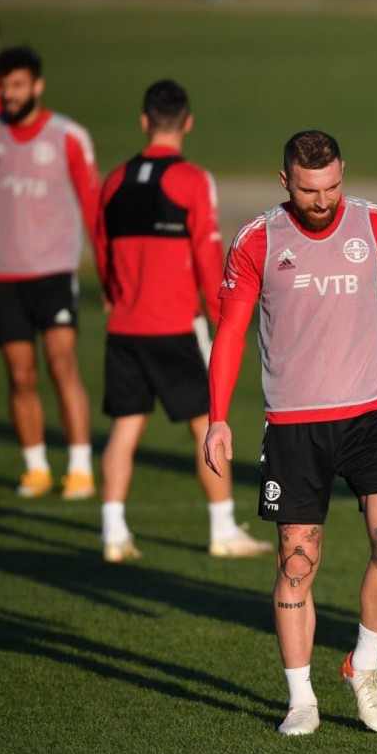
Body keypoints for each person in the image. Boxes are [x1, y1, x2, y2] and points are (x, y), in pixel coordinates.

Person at [204, 130, 377, 737]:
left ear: (342, 173)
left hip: (371, 416)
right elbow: (230, 332)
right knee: (297, 564)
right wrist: (217, 417)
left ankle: (364, 663)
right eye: (309, 190)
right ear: (286, 181)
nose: (323, 200)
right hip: (294, 427)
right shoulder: (258, 240)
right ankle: (301, 697)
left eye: (332, 186)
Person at [95, 79, 272, 563]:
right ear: (187, 122)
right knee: (207, 427)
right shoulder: (193, 180)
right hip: (175, 326)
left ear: (144, 121)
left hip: (124, 326)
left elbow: (102, 248)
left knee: (125, 429)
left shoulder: (113, 180)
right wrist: (222, 315)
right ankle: (223, 530)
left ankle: (113, 533)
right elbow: (207, 254)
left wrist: (114, 294)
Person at [0, 45, 99, 500]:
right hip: (2, 274)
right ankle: (36, 467)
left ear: (37, 85)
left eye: (18, 85)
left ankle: (79, 467)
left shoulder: (68, 136)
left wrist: (108, 267)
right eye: (4, 87)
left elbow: (92, 205)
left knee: (62, 364)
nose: (10, 95)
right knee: (20, 375)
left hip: (53, 271)